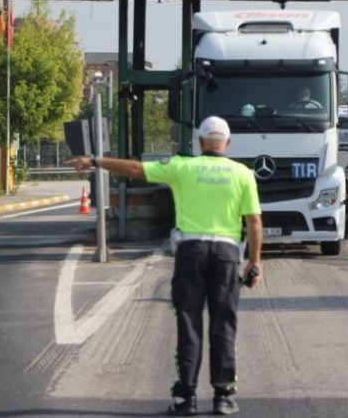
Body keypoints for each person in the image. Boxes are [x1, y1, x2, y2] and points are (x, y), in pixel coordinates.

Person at [66, 115, 263, 416]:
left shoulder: (183, 167)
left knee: (189, 323)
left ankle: (186, 397)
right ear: (228, 142)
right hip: (226, 255)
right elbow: (254, 221)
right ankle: (224, 397)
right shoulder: (243, 174)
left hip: (191, 253)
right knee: (224, 324)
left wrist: (95, 160)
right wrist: (255, 262)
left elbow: (134, 169)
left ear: (199, 142)